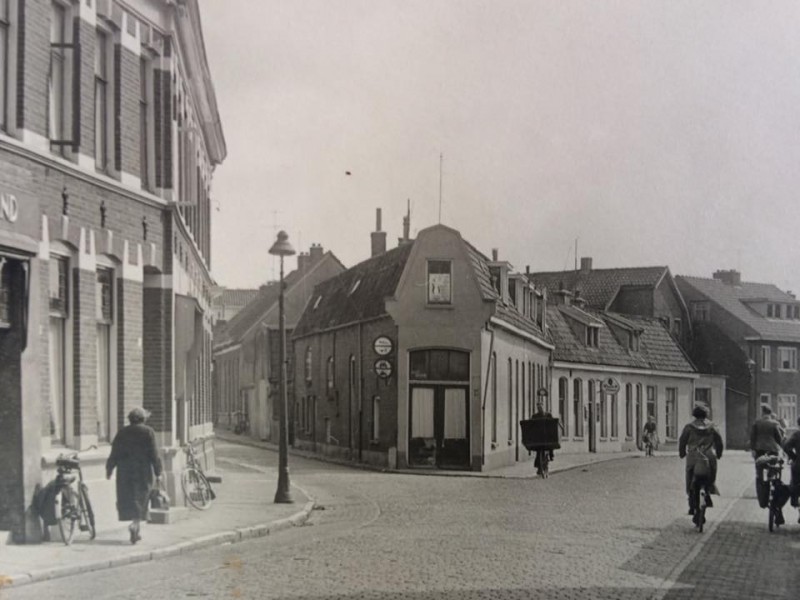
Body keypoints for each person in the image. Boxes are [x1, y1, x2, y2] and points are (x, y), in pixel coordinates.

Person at [106, 407, 163, 544]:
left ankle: (135, 528)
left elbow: (114, 452)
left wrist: (109, 469)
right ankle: (135, 525)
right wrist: (158, 472)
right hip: (142, 471)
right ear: (143, 419)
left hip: (125, 471)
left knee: (128, 497)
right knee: (141, 498)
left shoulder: (122, 432)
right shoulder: (148, 432)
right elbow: (154, 454)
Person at [678, 405, 723, 520]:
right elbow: (719, 442)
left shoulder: (689, 427)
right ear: (706, 414)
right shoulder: (712, 427)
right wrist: (718, 454)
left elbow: (682, 441)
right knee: (712, 473)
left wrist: (682, 453)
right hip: (708, 455)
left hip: (693, 455)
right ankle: (709, 489)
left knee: (690, 473)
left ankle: (690, 493)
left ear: (694, 414)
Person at [750, 403, 784, 516]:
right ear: (770, 413)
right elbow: (779, 438)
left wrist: (753, 449)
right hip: (772, 450)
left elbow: (752, 437)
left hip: (759, 451)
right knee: (774, 471)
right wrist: (781, 449)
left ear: (763, 413)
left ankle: (762, 496)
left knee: (759, 474)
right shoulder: (775, 423)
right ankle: (774, 483)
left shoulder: (757, 423)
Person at [781, 416, 800, 522]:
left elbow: (786, 446)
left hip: (799, 465)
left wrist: (794, 457)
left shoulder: (797, 434)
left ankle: (795, 501)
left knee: (795, 485)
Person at [531, 401, 555, 476]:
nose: (539, 408)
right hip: (539, 437)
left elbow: (553, 423)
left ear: (543, 407)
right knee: (538, 451)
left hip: (547, 436)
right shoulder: (535, 416)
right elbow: (531, 424)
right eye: (538, 407)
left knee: (551, 444)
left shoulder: (548, 415)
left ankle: (551, 455)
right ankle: (539, 467)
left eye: (541, 407)